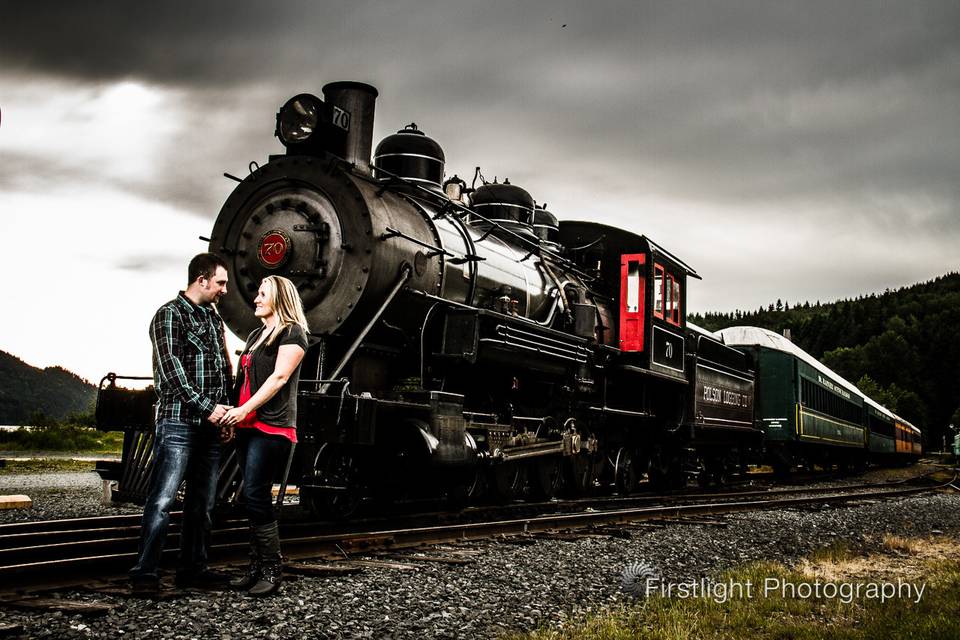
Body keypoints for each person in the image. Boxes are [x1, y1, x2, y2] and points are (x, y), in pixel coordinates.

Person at [129, 253, 233, 594]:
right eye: (220, 283)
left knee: (203, 503)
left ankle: (193, 569)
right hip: (178, 423)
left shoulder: (214, 321)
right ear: (201, 280)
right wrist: (207, 408)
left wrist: (227, 412)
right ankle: (145, 573)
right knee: (162, 500)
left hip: (210, 426)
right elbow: (171, 371)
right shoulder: (169, 315)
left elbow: (223, 369)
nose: (225, 290)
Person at [220, 275, 308, 597]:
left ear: (279, 298)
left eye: (262, 294)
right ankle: (255, 567)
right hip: (247, 424)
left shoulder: (292, 333)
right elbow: (243, 381)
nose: (256, 299)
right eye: (257, 293)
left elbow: (279, 378)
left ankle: (272, 568)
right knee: (250, 496)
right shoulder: (258, 334)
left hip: (272, 425)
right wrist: (234, 414)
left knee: (257, 493)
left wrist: (244, 411)